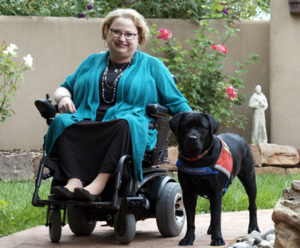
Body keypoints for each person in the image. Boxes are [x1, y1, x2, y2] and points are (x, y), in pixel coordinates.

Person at [45, 8, 192, 201]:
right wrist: (64, 98)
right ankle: (74, 181)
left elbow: (177, 102)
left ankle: (99, 183)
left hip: (128, 128)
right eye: (116, 31)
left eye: (129, 34)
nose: (122, 38)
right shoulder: (92, 62)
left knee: (125, 123)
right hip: (90, 124)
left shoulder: (153, 66)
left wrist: (195, 127)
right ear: (106, 32)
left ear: (139, 38)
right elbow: (64, 88)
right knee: (61, 122)